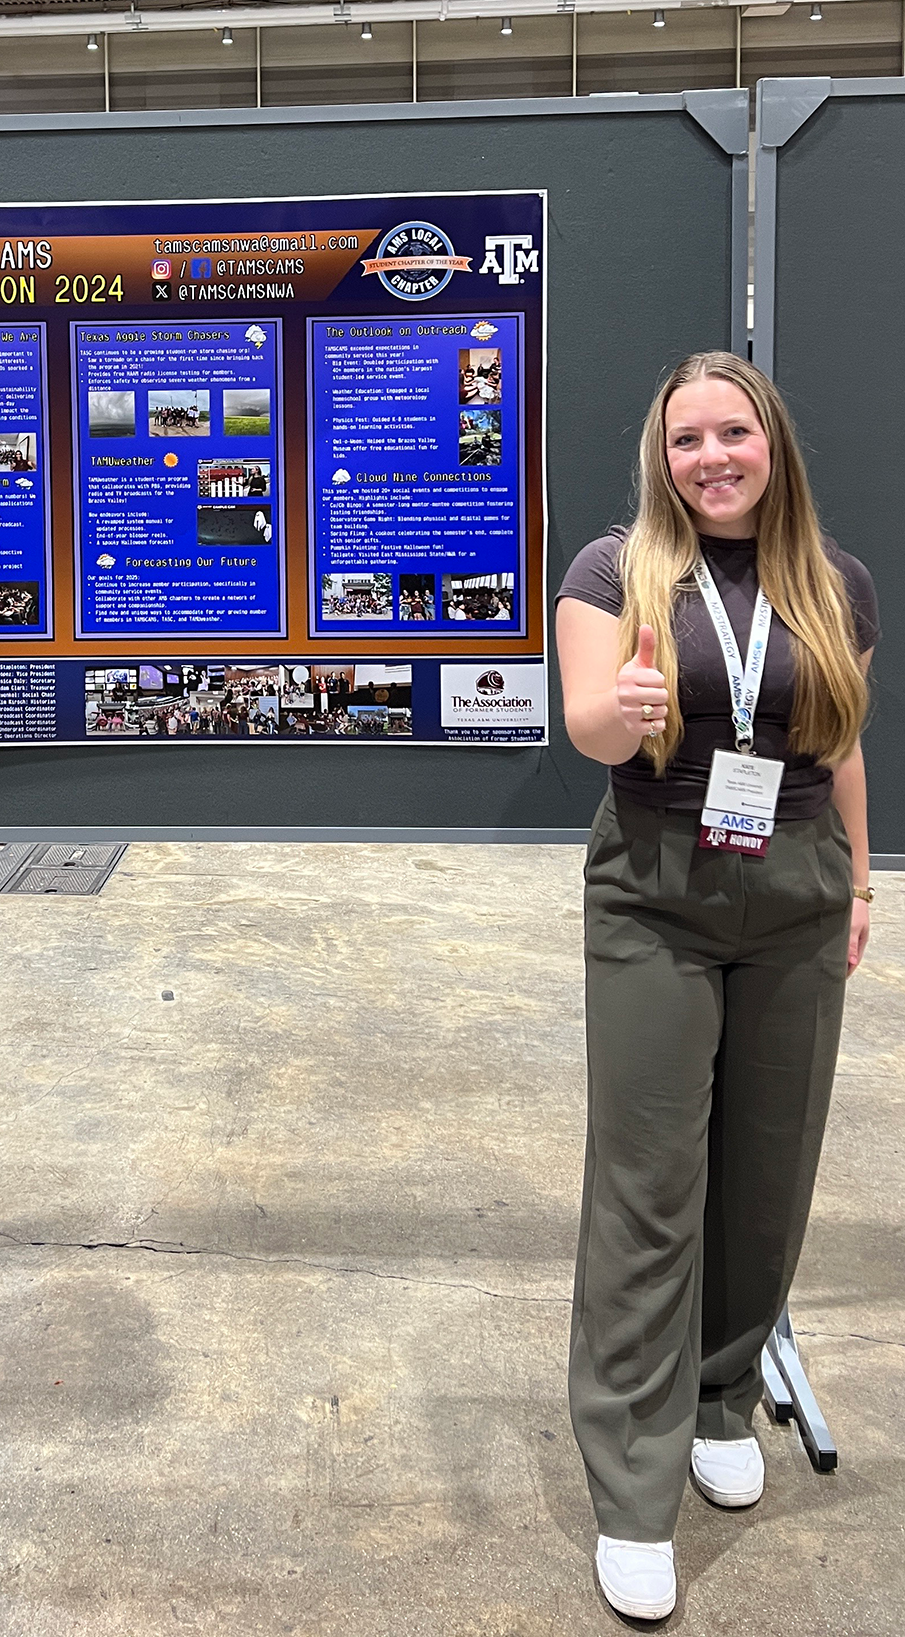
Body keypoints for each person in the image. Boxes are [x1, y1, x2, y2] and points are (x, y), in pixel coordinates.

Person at [556, 351, 876, 1621]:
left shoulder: (834, 581)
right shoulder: (611, 571)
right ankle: (634, 1486)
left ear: (770, 441)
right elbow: (583, 716)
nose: (711, 458)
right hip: (655, 885)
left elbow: (840, 740)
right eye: (686, 439)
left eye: (731, 432)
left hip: (796, 884)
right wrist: (622, 707)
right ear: (662, 456)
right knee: (649, 1178)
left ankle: (723, 1394)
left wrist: (857, 881)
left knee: (768, 1166)